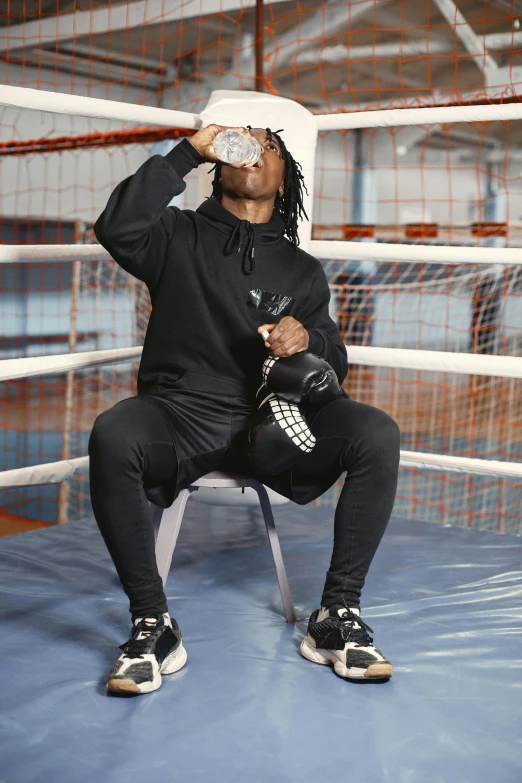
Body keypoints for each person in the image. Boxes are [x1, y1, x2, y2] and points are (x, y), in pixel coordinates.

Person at [90, 123, 401, 696]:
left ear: (286, 178)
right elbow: (117, 226)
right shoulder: (177, 234)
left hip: (273, 423)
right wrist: (187, 151)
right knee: (114, 431)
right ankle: (151, 622)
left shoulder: (303, 270)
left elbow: (335, 363)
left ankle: (337, 615)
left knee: (376, 431)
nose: (255, 150)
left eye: (270, 145)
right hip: (181, 416)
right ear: (219, 163)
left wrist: (307, 340)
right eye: (244, 142)